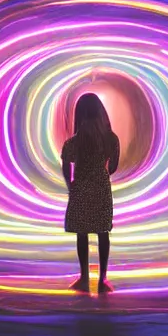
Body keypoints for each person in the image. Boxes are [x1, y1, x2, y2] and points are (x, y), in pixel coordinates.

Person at [61, 93, 120, 293]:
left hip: (81, 187)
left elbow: (65, 163)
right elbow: (113, 166)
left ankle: (84, 278)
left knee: (82, 233)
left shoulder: (75, 141)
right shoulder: (111, 139)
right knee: (103, 233)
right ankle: (103, 280)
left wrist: (71, 185)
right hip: (101, 188)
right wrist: (102, 173)